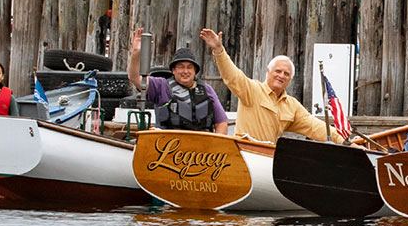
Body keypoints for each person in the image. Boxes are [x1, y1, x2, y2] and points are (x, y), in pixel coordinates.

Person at [197, 27, 343, 144]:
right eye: (278, 71)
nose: (281, 76)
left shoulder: (291, 105)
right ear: (268, 72)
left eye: (286, 74)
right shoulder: (252, 90)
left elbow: (315, 127)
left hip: (268, 159)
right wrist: (219, 50)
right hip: (243, 153)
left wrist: (344, 141)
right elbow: (232, 76)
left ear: (290, 79)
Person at [127, 29, 228, 134]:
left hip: (202, 147)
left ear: (195, 71)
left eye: (189, 67)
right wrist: (136, 53)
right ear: (173, 70)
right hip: (170, 146)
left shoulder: (207, 90)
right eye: (181, 67)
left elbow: (221, 123)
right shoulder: (161, 86)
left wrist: (216, 146)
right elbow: (134, 78)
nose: (185, 71)